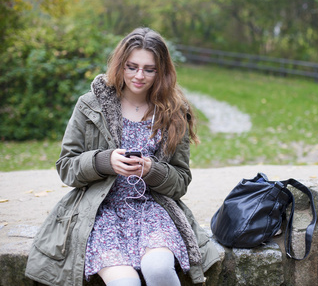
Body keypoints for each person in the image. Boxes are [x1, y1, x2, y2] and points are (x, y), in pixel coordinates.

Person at [25, 27, 220, 286]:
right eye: (131, 67)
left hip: (154, 209)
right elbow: (66, 166)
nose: (139, 76)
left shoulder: (174, 112)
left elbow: (181, 181)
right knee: (124, 283)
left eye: (149, 69)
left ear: (161, 71)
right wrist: (104, 161)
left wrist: (152, 170)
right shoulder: (90, 104)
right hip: (100, 211)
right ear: (120, 64)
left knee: (159, 270)